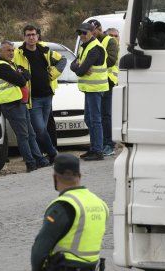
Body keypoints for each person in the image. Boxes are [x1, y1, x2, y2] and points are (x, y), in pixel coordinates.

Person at [31, 153, 109, 271]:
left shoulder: (63, 205)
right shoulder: (100, 204)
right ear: (80, 176)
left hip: (66, 270)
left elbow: (40, 248)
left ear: (55, 177)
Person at [0, 40, 50, 172]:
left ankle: (39, 160)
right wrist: (21, 75)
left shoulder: (10, 64)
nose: (11, 53)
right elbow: (22, 79)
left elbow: (27, 73)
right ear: (1, 51)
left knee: (31, 134)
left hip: (20, 103)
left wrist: (22, 74)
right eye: (8, 50)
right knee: (23, 135)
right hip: (11, 105)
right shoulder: (0, 66)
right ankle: (31, 163)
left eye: (12, 50)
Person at [13, 25, 66, 164]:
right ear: (23, 37)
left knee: (42, 128)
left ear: (38, 36)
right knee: (40, 129)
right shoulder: (18, 53)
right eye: (28, 35)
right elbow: (5, 68)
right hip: (33, 98)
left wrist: (53, 74)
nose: (31, 37)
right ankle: (53, 152)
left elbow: (63, 60)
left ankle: (48, 154)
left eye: (33, 35)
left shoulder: (45, 50)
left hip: (47, 95)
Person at [70, 23, 108, 161]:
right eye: (80, 33)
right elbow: (73, 65)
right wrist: (79, 66)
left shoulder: (95, 48)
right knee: (89, 119)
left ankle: (98, 151)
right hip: (88, 89)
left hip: (95, 89)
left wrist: (79, 67)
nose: (82, 36)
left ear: (92, 32)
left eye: (84, 33)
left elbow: (79, 71)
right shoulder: (84, 47)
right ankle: (93, 148)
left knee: (95, 120)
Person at [87, 20, 119, 157]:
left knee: (105, 115)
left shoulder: (109, 41)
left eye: (92, 30)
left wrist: (91, 61)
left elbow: (111, 60)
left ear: (99, 29)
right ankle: (96, 145)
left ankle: (109, 144)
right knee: (92, 117)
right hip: (93, 83)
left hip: (108, 81)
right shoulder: (88, 41)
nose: (90, 32)